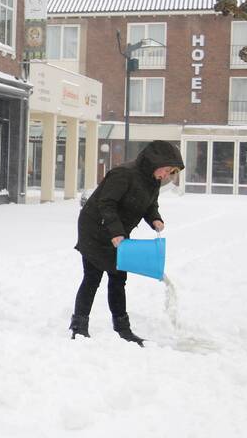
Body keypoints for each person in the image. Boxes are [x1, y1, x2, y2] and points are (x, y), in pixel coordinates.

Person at [71, 140, 185, 346]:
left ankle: (123, 329)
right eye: (167, 170)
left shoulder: (152, 181)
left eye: (171, 173)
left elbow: (150, 205)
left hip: (118, 233)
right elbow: (107, 203)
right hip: (95, 230)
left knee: (118, 278)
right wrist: (115, 232)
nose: (166, 176)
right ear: (155, 162)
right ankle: (79, 328)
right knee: (92, 277)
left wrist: (155, 219)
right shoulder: (124, 174)